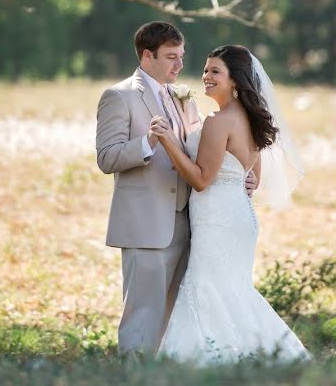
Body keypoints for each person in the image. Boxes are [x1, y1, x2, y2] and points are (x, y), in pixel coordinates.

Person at [95, 23, 257, 355]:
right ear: (147, 55)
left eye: (181, 57)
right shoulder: (119, 96)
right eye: (171, 57)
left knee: (177, 320)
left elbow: (204, 151)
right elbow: (107, 158)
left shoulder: (182, 98)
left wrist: (245, 172)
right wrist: (148, 142)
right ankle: (135, 379)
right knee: (142, 316)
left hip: (193, 225)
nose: (179, 66)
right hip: (147, 224)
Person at [152, 44, 312, 365]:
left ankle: (206, 362)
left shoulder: (220, 121)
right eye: (206, 69)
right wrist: (246, 180)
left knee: (207, 289)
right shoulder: (250, 119)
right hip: (239, 216)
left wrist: (169, 140)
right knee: (231, 291)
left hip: (217, 220)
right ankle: (259, 357)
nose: (206, 77)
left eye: (215, 72)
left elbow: (200, 179)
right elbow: (251, 172)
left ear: (236, 80)